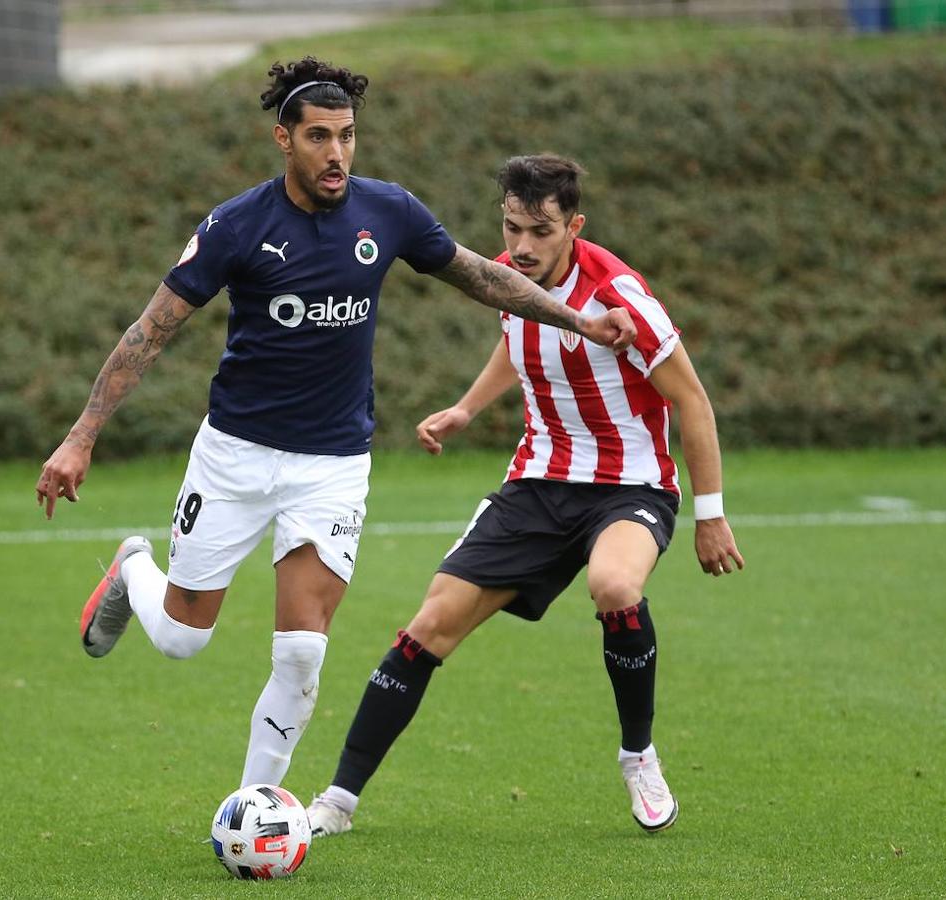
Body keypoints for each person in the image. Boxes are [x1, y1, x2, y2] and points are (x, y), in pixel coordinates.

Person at [33, 60, 637, 793]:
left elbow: (482, 275)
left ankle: (257, 807)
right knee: (185, 640)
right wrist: (81, 434)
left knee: (301, 654)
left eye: (347, 135)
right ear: (283, 139)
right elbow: (149, 332)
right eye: (318, 136)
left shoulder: (388, 213)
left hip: (332, 465)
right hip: (235, 457)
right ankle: (133, 568)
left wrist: (580, 319)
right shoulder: (236, 226)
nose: (337, 153)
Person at [306, 154, 745, 837]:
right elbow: (518, 344)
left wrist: (711, 517)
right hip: (537, 485)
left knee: (614, 586)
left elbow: (693, 400)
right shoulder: (508, 277)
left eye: (540, 231)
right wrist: (466, 409)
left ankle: (639, 756)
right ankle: (337, 800)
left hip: (628, 486)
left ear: (574, 225)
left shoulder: (620, 296)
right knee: (429, 626)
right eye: (512, 227)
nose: (521, 246)